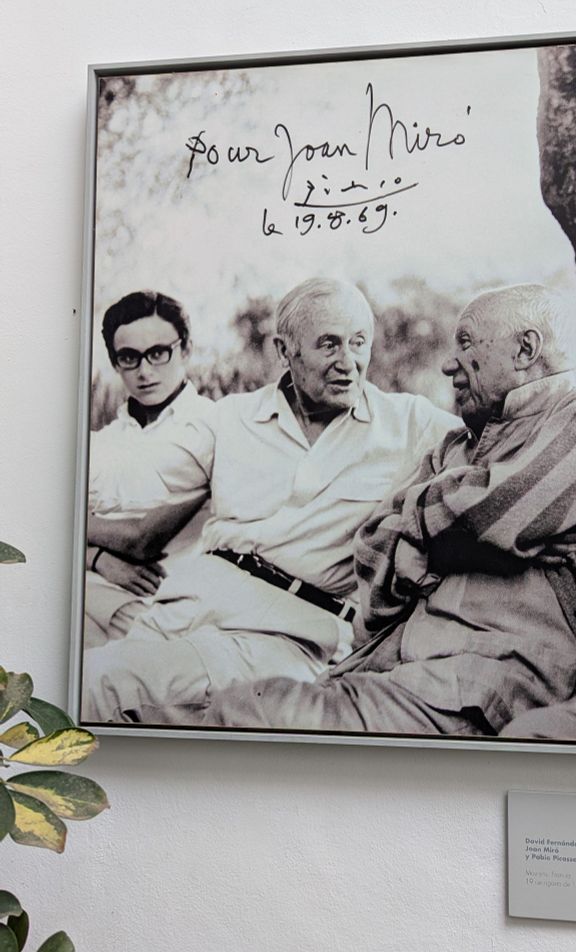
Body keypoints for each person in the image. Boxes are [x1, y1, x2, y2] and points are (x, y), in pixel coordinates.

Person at [199, 283, 576, 741]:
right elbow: (374, 552)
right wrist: (462, 537)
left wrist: (424, 530)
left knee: (244, 714)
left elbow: (497, 513)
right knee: (223, 711)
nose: (449, 364)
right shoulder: (454, 446)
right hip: (387, 670)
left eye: (466, 344)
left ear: (526, 349)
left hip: (472, 687)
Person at [82, 278, 459, 724]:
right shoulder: (231, 418)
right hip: (182, 607)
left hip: (281, 632)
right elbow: (127, 487)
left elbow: (497, 439)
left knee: (97, 684)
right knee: (90, 688)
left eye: (358, 342)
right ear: (284, 350)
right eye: (329, 344)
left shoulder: (409, 424)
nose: (348, 362)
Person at [85, 291, 213, 648]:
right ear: (115, 363)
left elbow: (140, 540)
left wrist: (73, 526)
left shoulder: (212, 428)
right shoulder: (100, 442)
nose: (144, 371)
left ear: (185, 349)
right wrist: (96, 559)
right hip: (91, 589)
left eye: (158, 353)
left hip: (164, 610)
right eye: (129, 357)